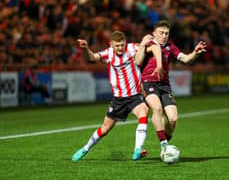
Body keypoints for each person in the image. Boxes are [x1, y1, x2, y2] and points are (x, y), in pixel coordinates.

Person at [72, 31, 163, 161]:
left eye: (122, 45)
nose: (120, 48)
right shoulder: (108, 53)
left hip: (134, 96)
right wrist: (86, 48)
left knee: (144, 112)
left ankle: (137, 149)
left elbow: (152, 46)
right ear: (111, 44)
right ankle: (85, 149)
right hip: (118, 99)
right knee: (105, 129)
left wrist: (146, 43)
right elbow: (91, 58)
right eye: (117, 46)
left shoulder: (132, 48)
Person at [136, 20, 207, 150]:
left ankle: (164, 143)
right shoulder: (148, 44)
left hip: (164, 85)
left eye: (166, 33)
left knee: (173, 119)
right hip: (148, 83)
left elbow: (186, 59)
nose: (164, 36)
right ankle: (164, 146)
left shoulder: (171, 47)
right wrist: (142, 46)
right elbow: (138, 61)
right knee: (157, 109)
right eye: (161, 33)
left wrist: (195, 52)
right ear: (154, 33)